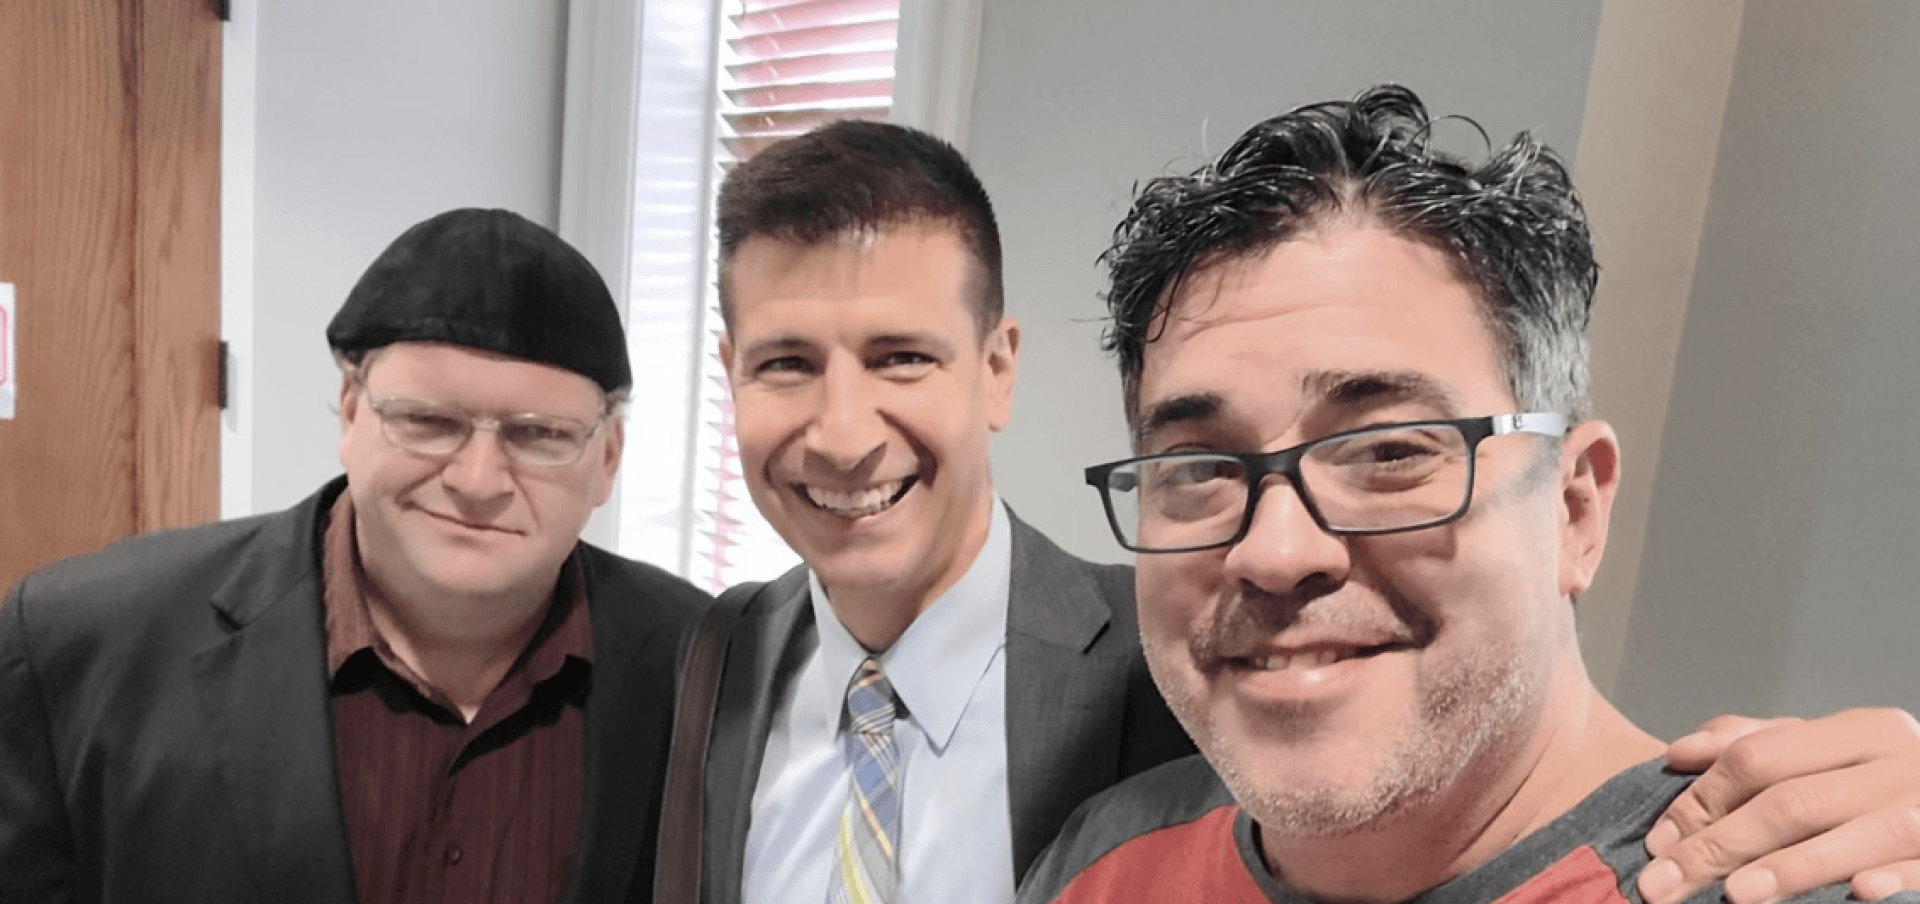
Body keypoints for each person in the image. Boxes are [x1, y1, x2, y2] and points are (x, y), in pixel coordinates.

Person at [690, 118, 1920, 904]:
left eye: (1389, 449)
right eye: (1203, 466)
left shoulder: (1784, 871)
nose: (1277, 550)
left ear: (1578, 507)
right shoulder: (1110, 858)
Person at [0, 208, 710, 903]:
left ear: (608, 457)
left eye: (541, 435)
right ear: (348, 410)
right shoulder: (86, 645)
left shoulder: (707, 667)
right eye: (427, 421)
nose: (478, 481)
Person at [696, 120, 1197, 904]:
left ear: (996, 370)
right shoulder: (720, 652)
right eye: (785, 364)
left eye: (901, 359)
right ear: (732, 376)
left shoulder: (1167, 667)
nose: (843, 437)